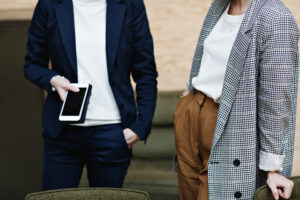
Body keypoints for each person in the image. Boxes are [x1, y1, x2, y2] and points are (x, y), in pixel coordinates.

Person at [24, 0, 157, 190]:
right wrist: (54, 79)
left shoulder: (130, 4)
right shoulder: (49, 4)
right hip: (62, 133)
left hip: (112, 133)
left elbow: (146, 72)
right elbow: (32, 64)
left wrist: (140, 127)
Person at [174, 0, 299, 199]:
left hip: (227, 124)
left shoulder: (276, 18)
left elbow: (276, 100)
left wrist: (273, 169)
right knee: (188, 193)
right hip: (192, 111)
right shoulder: (220, 6)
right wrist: (190, 95)